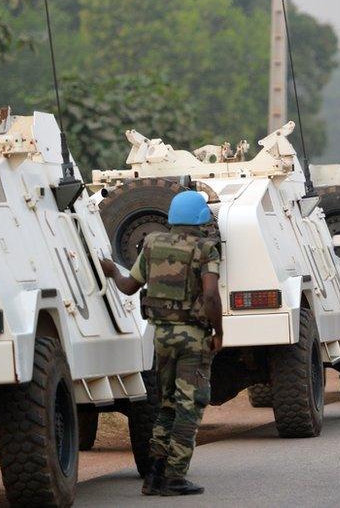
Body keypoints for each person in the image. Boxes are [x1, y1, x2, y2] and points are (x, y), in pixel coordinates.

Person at [100, 191, 223, 496]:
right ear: (201, 218)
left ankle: (154, 476)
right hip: (192, 338)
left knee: (167, 405)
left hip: (161, 337)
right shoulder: (207, 249)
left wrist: (114, 270)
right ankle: (176, 476)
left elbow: (129, 287)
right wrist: (218, 332)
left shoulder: (153, 243)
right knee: (189, 405)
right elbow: (210, 296)